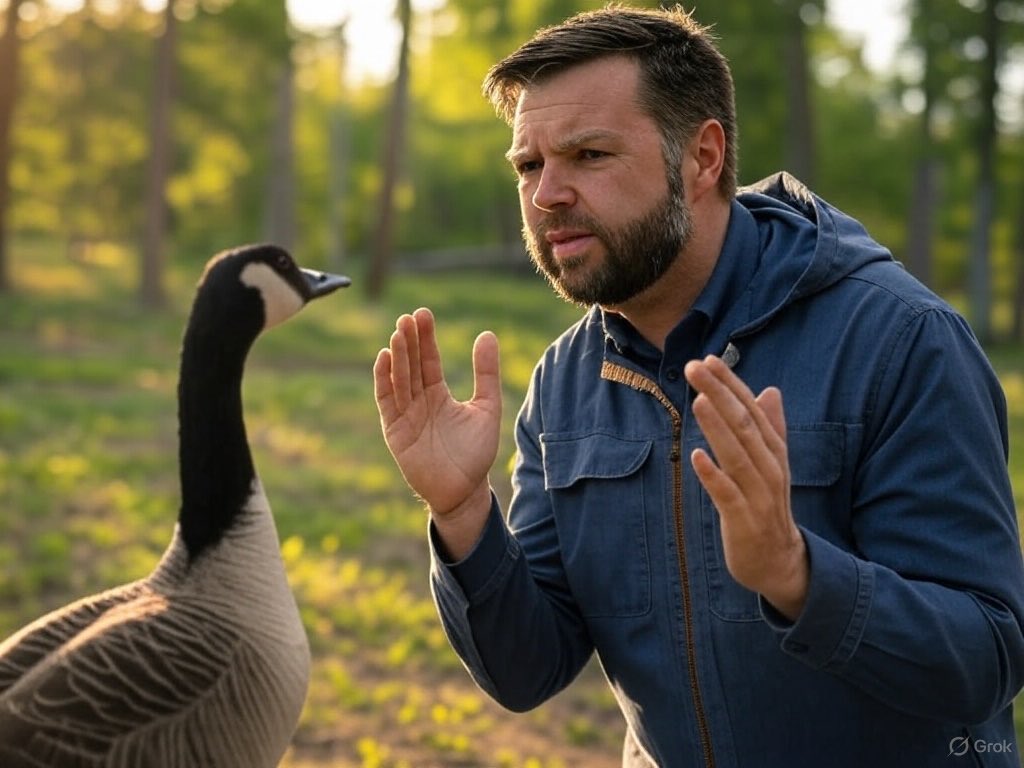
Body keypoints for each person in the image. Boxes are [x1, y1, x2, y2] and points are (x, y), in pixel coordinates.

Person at [373, 6, 1024, 766]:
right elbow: (528, 669)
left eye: (588, 154)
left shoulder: (897, 339)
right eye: (528, 165)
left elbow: (987, 657)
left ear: (703, 157)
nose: (546, 193)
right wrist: (461, 514)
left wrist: (797, 576)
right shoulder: (564, 382)